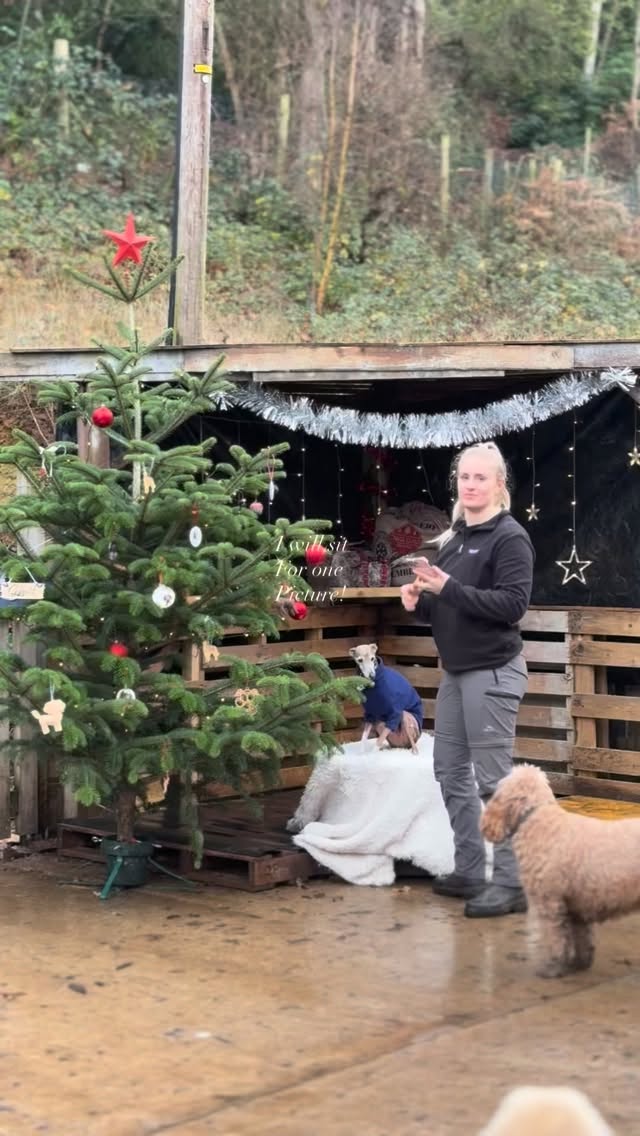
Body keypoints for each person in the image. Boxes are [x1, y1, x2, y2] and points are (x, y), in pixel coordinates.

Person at [400, 441, 534, 918]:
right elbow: (450, 605)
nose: (471, 485)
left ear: (499, 484)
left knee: (494, 781)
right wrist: (420, 604)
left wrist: (449, 587)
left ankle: (512, 883)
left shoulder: (509, 537)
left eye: (481, 477)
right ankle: (470, 870)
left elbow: (512, 605)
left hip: (492, 671)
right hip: (456, 672)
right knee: (450, 772)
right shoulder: (455, 536)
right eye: (464, 477)